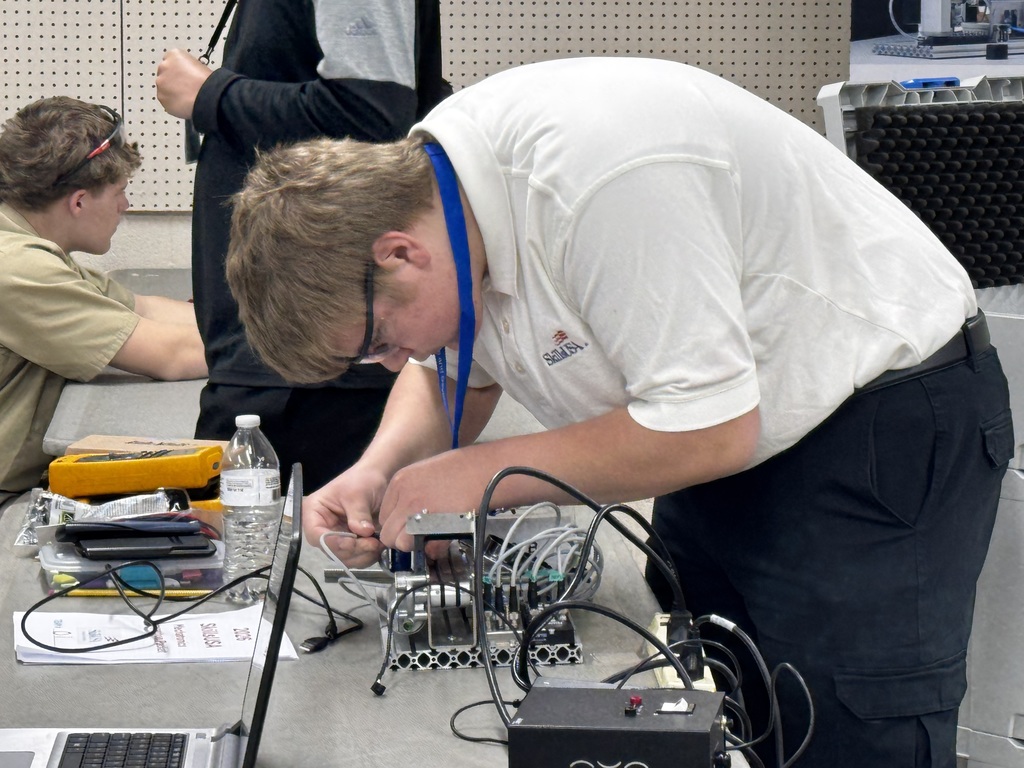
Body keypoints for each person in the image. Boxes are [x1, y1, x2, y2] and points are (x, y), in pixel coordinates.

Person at [223, 57, 1014, 768]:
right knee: (734, 718)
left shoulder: (599, 180)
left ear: (399, 252)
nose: (391, 362)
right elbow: (453, 368)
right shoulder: (436, 190)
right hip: (733, 430)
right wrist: (378, 470)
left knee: (843, 734)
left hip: (875, 417)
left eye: (375, 340)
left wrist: (481, 472)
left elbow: (710, 426)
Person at [155, 0, 450, 492]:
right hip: (293, 357)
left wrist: (212, 96)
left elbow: (369, 116)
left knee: (260, 559)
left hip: (311, 367)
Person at [0, 97, 208, 493]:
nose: (125, 205)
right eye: (119, 192)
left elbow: (143, 309)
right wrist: (297, 347)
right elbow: (171, 355)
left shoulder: (27, 244)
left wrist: (262, 322)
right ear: (78, 201)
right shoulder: (17, 270)